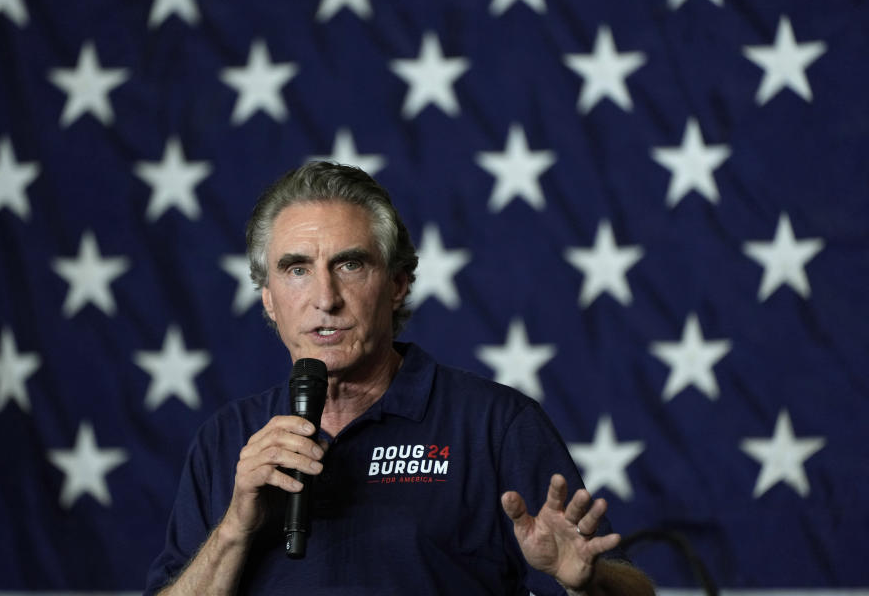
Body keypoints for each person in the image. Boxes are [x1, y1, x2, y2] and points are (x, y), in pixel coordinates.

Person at [144, 162, 654, 595]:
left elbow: (633, 589)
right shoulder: (227, 438)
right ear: (269, 299)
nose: (325, 297)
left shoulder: (494, 424)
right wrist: (236, 527)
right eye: (297, 269)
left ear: (397, 285)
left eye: (349, 264)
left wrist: (584, 583)